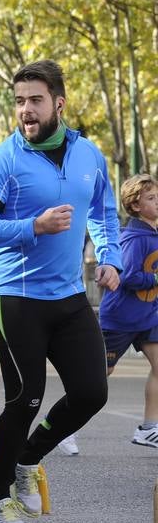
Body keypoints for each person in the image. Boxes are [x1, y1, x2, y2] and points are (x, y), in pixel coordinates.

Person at [0, 60, 121, 523]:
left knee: (92, 392)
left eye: (34, 100)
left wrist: (110, 256)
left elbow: (104, 212)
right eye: (19, 102)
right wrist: (32, 226)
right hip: (15, 296)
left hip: (70, 295)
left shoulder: (89, 155)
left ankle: (28, 458)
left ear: (59, 102)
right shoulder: (2, 160)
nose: (26, 111)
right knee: (24, 398)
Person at [100, 174, 158, 448]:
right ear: (135, 205)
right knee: (97, 377)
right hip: (120, 318)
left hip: (146, 317)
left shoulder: (151, 234)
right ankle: (65, 427)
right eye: (151, 198)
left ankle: (148, 428)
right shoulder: (134, 238)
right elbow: (131, 276)